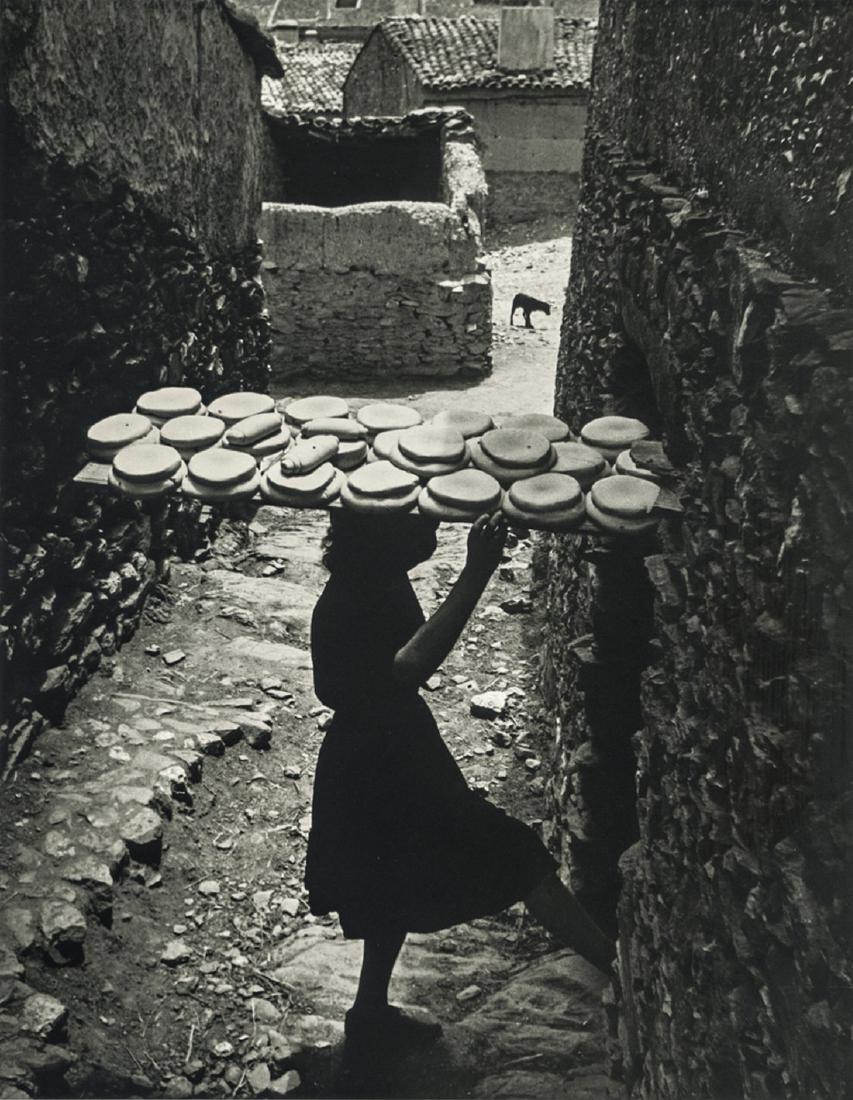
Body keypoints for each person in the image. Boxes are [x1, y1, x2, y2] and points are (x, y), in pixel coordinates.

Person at [306, 509, 615, 1048]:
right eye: (415, 519)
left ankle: (369, 1012)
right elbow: (405, 669)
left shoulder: (374, 573)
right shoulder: (354, 594)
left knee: (387, 888)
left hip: (389, 751)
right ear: (381, 533)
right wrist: (476, 573)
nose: (431, 528)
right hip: (377, 764)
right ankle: (624, 974)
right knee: (515, 855)